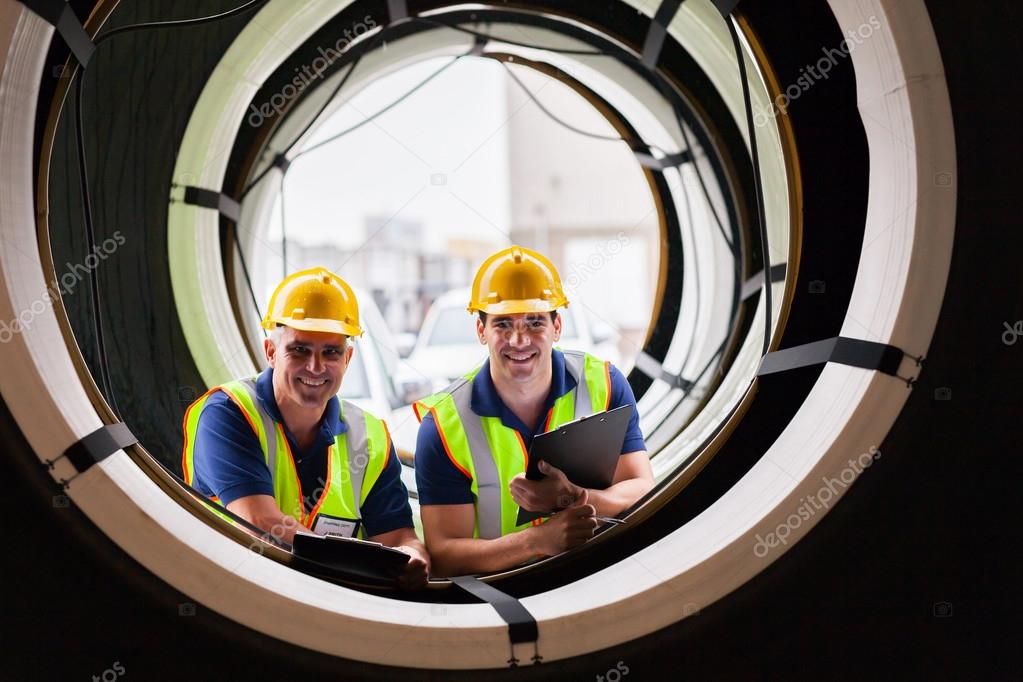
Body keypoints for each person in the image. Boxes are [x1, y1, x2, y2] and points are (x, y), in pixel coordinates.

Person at [413, 246, 653, 576]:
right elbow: (444, 554)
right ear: (481, 331)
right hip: (504, 597)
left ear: (557, 327)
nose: (519, 340)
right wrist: (537, 541)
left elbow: (640, 488)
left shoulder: (606, 386)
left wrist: (576, 498)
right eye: (503, 325)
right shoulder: (443, 424)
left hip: (596, 576)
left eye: (534, 322)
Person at [182, 268, 429, 589]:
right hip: (233, 597)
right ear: (271, 352)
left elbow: (399, 536)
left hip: (332, 602)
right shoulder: (229, 412)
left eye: (331, 352)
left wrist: (414, 556)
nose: (315, 367)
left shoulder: (369, 436)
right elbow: (258, 521)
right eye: (299, 349)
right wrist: (349, 566)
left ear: (348, 358)